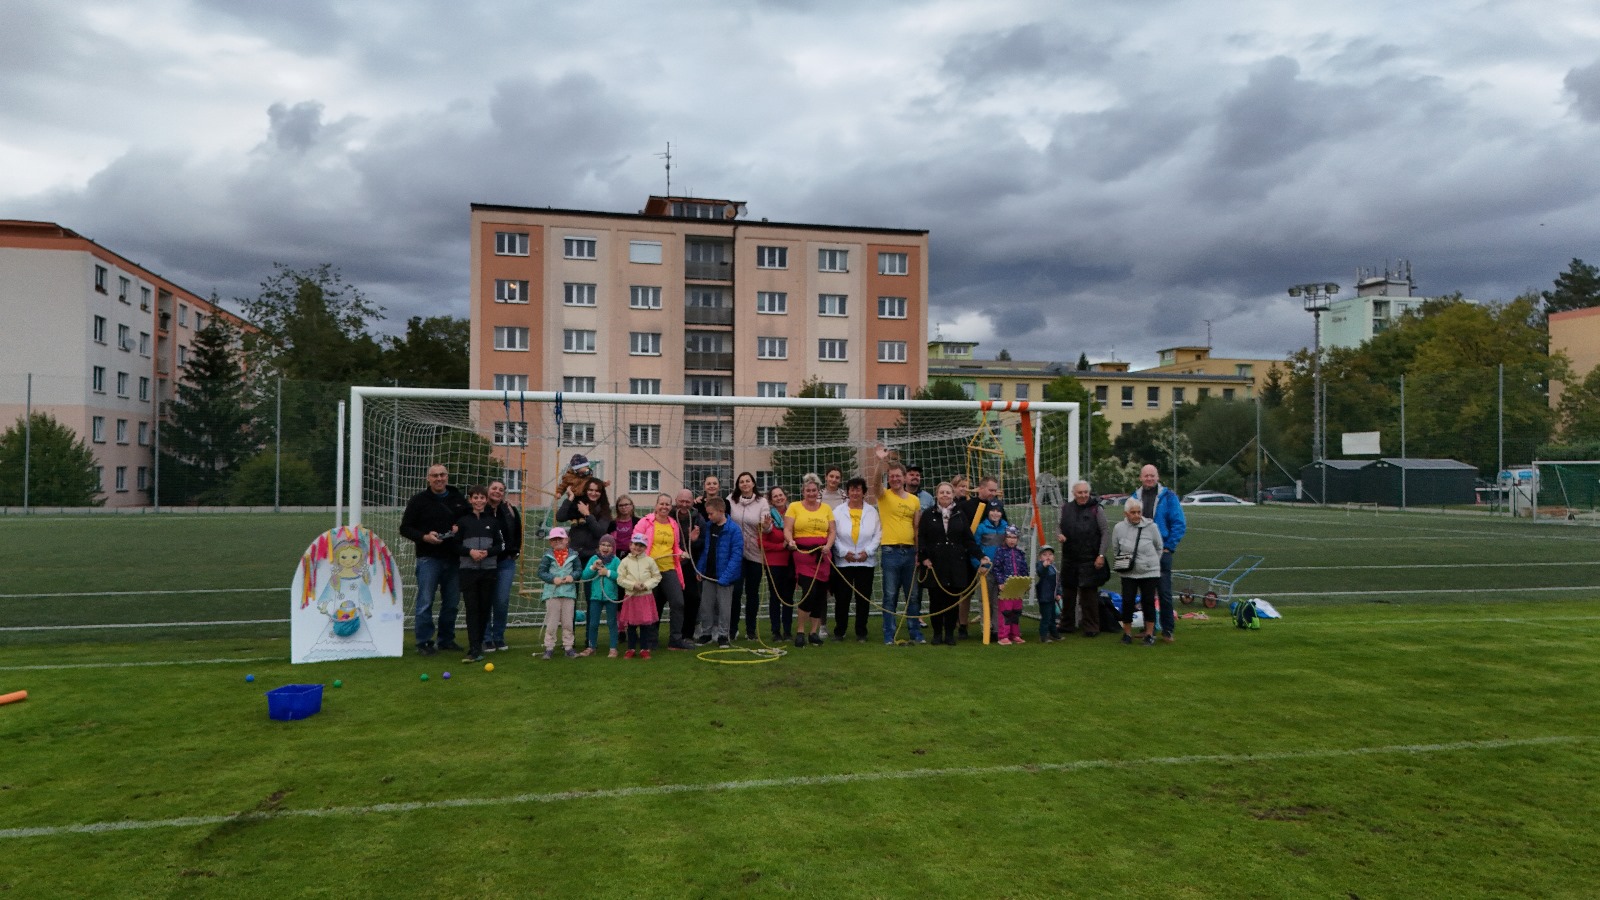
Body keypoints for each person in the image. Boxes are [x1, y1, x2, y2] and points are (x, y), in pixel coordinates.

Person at [398, 463, 469, 656]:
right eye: (435, 475)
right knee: (425, 601)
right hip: (428, 558)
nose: (439, 479)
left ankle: (446, 639)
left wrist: (459, 528)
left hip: (454, 558)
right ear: (428, 479)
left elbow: (468, 520)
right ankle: (423, 642)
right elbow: (405, 528)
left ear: (447, 476)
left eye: (442, 475)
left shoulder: (458, 499)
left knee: (452, 603)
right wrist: (424, 537)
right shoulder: (418, 500)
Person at [919, 482, 986, 646]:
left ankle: (949, 634)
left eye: (948, 492)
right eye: (941, 492)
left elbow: (968, 539)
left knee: (952, 600)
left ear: (952, 494)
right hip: (935, 563)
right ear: (937, 494)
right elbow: (922, 538)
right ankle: (936, 634)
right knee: (936, 600)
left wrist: (981, 556)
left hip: (955, 564)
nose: (945, 495)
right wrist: (924, 558)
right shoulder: (928, 514)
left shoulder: (960, 514)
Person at [872, 454, 924, 645]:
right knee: (890, 595)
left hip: (910, 552)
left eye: (897, 476)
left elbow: (916, 527)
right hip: (890, 552)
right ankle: (889, 635)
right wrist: (879, 462)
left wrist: (918, 552)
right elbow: (875, 483)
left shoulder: (914, 500)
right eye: (891, 476)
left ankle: (915, 633)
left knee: (913, 596)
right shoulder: (884, 496)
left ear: (904, 477)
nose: (894, 479)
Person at [557, 477, 613, 653]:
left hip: (592, 560)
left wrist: (588, 515)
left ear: (601, 492)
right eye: (591, 489)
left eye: (597, 490)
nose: (594, 493)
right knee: (570, 600)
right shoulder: (577, 504)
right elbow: (560, 517)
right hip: (573, 558)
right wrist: (570, 499)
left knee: (591, 600)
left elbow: (600, 532)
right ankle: (569, 640)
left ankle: (590, 641)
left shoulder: (604, 511)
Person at [1136, 464, 1187, 643]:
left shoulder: (1169, 497)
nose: (1149, 478)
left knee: (1164, 592)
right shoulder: (1135, 497)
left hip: (1162, 552)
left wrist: (1169, 546)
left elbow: (1179, 523)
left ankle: (1167, 630)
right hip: (1141, 552)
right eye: (1146, 476)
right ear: (1140, 478)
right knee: (1145, 593)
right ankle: (1148, 628)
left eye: (1152, 475)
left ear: (1157, 477)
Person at [454, 484, 505, 663]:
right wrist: (470, 552)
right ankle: (473, 648)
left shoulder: (492, 521)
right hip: (468, 571)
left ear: (486, 500)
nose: (479, 501)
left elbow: (501, 545)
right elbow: (455, 545)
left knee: (484, 609)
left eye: (482, 497)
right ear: (470, 500)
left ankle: (479, 645)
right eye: (475, 497)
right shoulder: (462, 522)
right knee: (472, 609)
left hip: (488, 571)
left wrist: (487, 553)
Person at [784, 473, 835, 647]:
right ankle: (800, 631)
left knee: (820, 595)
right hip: (803, 556)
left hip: (823, 556)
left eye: (814, 490)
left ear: (818, 491)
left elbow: (832, 531)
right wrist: (790, 540)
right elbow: (788, 529)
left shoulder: (826, 509)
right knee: (808, 592)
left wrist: (828, 545)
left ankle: (813, 632)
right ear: (803, 491)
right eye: (808, 490)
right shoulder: (794, 507)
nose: (811, 493)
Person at [635, 493, 690, 650]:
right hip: (650, 571)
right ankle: (651, 641)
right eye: (662, 504)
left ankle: (675, 640)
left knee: (678, 603)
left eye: (667, 504)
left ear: (671, 507)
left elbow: (676, 546)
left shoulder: (673, 524)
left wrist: (681, 553)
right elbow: (635, 542)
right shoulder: (645, 522)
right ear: (656, 505)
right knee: (653, 605)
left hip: (669, 569)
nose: (664, 507)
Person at [1057, 480, 1111, 638]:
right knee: (1068, 594)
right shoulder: (1065, 508)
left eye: (1085, 492)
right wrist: (1058, 535)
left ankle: (1091, 627)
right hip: (1069, 558)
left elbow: (1105, 532)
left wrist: (1101, 555)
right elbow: (1058, 526)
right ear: (1074, 493)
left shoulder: (1097, 509)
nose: (1083, 495)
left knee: (1089, 595)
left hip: (1090, 558)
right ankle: (1066, 624)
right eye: (1080, 492)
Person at [831, 476, 881, 642]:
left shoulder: (872, 512)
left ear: (864, 493)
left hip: (865, 562)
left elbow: (877, 534)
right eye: (852, 489)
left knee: (863, 598)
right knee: (843, 598)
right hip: (844, 562)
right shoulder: (837, 511)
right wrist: (844, 552)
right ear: (847, 492)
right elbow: (833, 535)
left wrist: (868, 552)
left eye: (858, 489)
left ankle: (861, 632)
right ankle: (840, 631)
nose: (855, 492)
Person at [1111, 496, 1164, 646]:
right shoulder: (1119, 528)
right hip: (1128, 572)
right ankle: (1127, 633)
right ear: (1126, 514)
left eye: (1138, 512)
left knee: (1148, 601)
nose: (1136, 515)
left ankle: (1149, 634)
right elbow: (1116, 549)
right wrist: (1124, 563)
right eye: (1133, 512)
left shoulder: (1151, 527)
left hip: (1149, 571)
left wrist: (1150, 563)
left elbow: (1159, 547)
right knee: (1127, 601)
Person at [695, 497, 743, 648]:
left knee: (724, 607)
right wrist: (700, 569)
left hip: (725, 578)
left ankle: (723, 635)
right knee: (706, 606)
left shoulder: (734, 530)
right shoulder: (709, 527)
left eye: (710, 514)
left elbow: (736, 556)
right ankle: (706, 633)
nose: (708, 517)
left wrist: (726, 576)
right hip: (708, 575)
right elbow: (706, 551)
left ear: (721, 511)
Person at [726, 472, 768, 641]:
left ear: (753, 483)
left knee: (752, 592)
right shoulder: (730, 499)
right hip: (736, 552)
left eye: (747, 481)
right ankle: (732, 628)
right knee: (735, 591)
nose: (744, 484)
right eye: (741, 481)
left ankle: (751, 630)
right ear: (738, 484)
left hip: (755, 553)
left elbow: (767, 528)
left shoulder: (762, 502)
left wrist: (766, 526)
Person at [484, 479, 521, 653]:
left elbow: (518, 530)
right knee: (485, 600)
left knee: (501, 600)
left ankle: (498, 636)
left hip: (506, 561)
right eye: (494, 488)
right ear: (487, 490)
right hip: (484, 561)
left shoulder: (510, 510)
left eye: (500, 489)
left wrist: (516, 552)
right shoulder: (479, 508)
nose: (497, 491)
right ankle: (486, 638)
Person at [536, 526, 582, 659]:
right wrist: (552, 579)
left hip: (568, 593)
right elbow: (541, 572)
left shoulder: (574, 555)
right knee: (552, 622)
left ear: (566, 540)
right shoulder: (548, 556)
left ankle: (568, 647)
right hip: (552, 594)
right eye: (554, 540)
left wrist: (572, 576)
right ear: (550, 542)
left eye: (560, 539)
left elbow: (579, 570)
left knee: (568, 622)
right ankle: (549, 647)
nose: (557, 542)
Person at [615, 532, 662, 659]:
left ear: (645, 547)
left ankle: (644, 649)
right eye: (636, 544)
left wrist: (646, 585)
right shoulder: (624, 561)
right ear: (631, 545)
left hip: (645, 596)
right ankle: (630, 648)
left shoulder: (649, 561)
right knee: (631, 624)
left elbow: (657, 576)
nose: (638, 548)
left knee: (646, 625)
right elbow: (620, 579)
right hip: (631, 597)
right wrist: (632, 585)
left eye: (641, 545)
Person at [671, 489, 707, 644]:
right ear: (676, 500)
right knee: (662, 598)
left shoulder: (698, 519)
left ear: (693, 502)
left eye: (687, 502)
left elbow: (704, 543)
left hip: (690, 565)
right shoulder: (668, 516)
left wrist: (694, 541)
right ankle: (652, 635)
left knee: (692, 598)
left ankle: (687, 634)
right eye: (681, 501)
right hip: (670, 564)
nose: (684, 505)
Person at [761, 485, 795, 641]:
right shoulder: (768, 517)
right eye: (775, 496)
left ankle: (787, 630)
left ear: (785, 496)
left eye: (780, 495)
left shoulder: (794, 513)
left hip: (792, 561)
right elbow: (761, 542)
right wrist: (780, 546)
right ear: (771, 500)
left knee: (788, 596)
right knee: (775, 597)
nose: (779, 498)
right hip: (774, 562)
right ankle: (776, 631)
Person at [990, 525, 1029, 645]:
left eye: (1014, 537)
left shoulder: (1020, 553)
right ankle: (1003, 636)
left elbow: (1024, 569)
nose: (1012, 540)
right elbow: (996, 568)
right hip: (1005, 588)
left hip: (1017, 588)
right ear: (1005, 538)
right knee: (1005, 612)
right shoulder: (1000, 552)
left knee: (1016, 612)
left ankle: (1015, 634)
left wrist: (1025, 584)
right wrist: (1001, 582)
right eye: (1009, 537)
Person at [585, 534, 622, 657]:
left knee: (612, 622)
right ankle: (591, 647)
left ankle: (613, 648)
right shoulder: (594, 559)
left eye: (609, 545)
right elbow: (584, 576)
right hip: (596, 596)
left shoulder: (616, 561)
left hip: (611, 596)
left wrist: (608, 573)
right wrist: (593, 567)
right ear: (599, 546)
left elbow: (621, 577)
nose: (605, 548)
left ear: (613, 548)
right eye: (603, 545)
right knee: (593, 623)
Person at [1035, 546, 1061, 642]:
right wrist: (1044, 566)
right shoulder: (1040, 566)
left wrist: (1058, 593)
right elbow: (1041, 572)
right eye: (1044, 555)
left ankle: (1054, 633)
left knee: (1052, 616)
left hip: (1052, 597)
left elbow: (1057, 582)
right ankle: (1043, 635)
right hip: (1044, 597)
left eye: (1050, 554)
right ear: (1040, 557)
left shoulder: (1053, 567)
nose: (1048, 557)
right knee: (1046, 617)